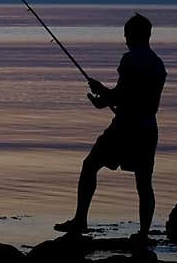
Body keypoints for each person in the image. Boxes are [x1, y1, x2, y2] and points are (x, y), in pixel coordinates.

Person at [55, 13, 166, 244]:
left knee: (90, 165)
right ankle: (144, 234)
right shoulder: (157, 64)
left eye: (127, 34)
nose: (125, 39)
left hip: (125, 127)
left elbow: (123, 95)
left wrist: (102, 93)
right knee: (144, 182)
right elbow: (135, 97)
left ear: (136, 35)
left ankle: (80, 221)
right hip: (148, 128)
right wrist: (105, 96)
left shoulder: (130, 60)